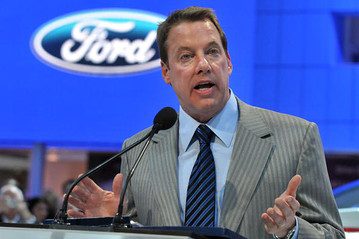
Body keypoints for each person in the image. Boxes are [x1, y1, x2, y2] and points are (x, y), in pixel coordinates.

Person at [67, 6, 345, 238]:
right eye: (186, 56)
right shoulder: (140, 149)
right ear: (166, 72)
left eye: (212, 52)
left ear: (228, 62)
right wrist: (117, 227)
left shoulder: (296, 137)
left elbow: (333, 234)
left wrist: (293, 230)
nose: (203, 64)